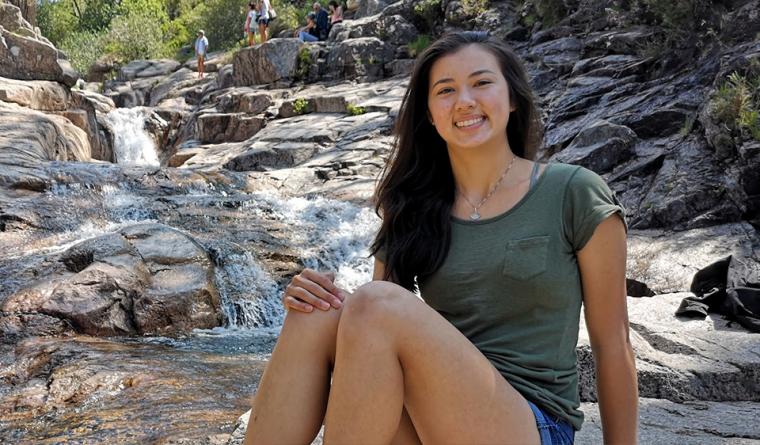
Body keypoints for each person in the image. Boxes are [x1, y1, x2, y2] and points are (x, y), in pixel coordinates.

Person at [243, 32, 638, 445]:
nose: (465, 100)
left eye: (482, 83)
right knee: (317, 312)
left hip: (531, 425)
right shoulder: (414, 206)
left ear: (514, 98)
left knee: (375, 302)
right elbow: (370, 334)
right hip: (430, 422)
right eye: (446, 90)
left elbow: (614, 344)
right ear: (430, 114)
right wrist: (314, 297)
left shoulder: (573, 192)